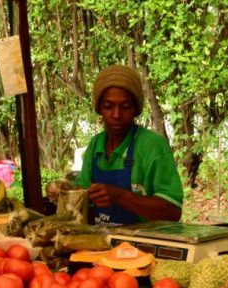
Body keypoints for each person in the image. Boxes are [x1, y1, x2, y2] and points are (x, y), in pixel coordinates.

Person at [74, 65, 184, 226]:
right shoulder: (95, 145)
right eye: (108, 107)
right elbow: (81, 199)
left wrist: (121, 197)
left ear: (135, 109)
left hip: (146, 245)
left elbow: (173, 211)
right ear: (99, 109)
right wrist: (64, 193)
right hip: (102, 245)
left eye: (125, 107)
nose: (117, 115)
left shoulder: (152, 145)